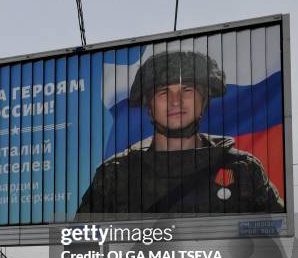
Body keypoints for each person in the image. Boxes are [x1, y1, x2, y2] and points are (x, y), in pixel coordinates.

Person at [77, 50, 284, 214]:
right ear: (149, 106)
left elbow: (279, 244)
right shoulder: (115, 175)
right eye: (163, 92)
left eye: (187, 90)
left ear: (203, 101)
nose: (175, 101)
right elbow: (79, 250)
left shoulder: (243, 169)